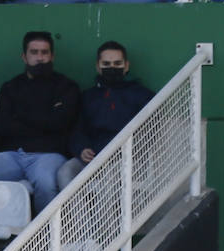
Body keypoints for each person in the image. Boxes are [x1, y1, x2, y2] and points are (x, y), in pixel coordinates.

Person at [0, 32, 80, 213]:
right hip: (13, 154)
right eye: (34, 52)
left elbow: (61, 123)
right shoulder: (10, 87)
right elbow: (3, 126)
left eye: (44, 53)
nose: (40, 58)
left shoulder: (66, 86)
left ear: (52, 56)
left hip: (48, 155)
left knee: (46, 183)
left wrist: (21, 116)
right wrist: (46, 119)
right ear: (24, 56)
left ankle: (46, 237)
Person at [57, 42, 154, 191]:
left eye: (117, 63)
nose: (112, 68)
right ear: (98, 66)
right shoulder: (87, 97)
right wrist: (82, 149)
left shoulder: (142, 95)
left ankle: (102, 215)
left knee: (108, 179)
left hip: (127, 158)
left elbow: (150, 131)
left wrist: (124, 153)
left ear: (126, 66)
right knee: (66, 171)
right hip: (93, 157)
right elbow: (77, 129)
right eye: (106, 64)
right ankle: (80, 215)